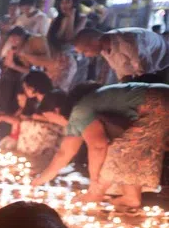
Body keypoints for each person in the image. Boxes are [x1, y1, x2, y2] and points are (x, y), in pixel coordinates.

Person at [31, 82, 169, 209]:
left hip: (156, 103)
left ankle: (99, 195)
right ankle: (129, 197)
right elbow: (65, 152)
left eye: (49, 117)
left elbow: (98, 146)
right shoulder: (80, 113)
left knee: (121, 149)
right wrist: (41, 180)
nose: (51, 122)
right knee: (128, 147)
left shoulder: (80, 110)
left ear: (56, 110)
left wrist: (95, 181)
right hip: (159, 99)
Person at [73, 27, 169, 83]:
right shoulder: (104, 49)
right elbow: (123, 74)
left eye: (85, 51)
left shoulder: (127, 41)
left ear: (95, 41)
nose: (86, 55)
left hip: (164, 61)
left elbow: (144, 75)